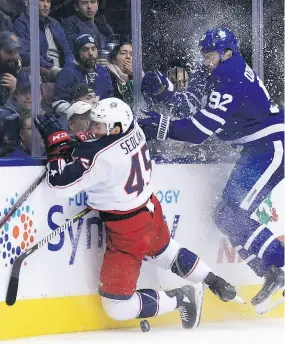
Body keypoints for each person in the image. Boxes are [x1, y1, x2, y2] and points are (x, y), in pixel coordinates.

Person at [34, 97, 243, 329]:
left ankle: (181, 298)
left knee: (117, 306)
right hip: (149, 210)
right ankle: (214, 280)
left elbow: (58, 184)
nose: (92, 129)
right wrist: (76, 140)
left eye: (98, 125)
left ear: (114, 128)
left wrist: (56, 147)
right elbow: (96, 144)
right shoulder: (133, 128)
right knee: (167, 252)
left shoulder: (103, 157)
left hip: (127, 231)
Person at [139, 27, 284, 313]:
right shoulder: (215, 69)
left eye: (210, 55)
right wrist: (168, 93)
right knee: (224, 216)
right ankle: (271, 273)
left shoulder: (230, 77)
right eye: (204, 55)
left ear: (227, 54)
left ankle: (279, 265)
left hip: (271, 147)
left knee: (231, 215)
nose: (205, 61)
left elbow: (197, 132)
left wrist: (160, 126)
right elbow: (193, 103)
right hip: (257, 148)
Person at [52, 33, 113, 115]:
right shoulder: (68, 72)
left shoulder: (103, 71)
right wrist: (82, 113)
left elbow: (110, 98)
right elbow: (57, 104)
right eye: (85, 50)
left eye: (93, 49)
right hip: (79, 122)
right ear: (77, 54)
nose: (91, 53)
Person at [14, 0, 74, 81]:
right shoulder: (21, 23)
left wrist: (70, 67)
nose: (46, 5)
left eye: (48, 1)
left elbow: (67, 51)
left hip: (62, 70)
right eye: (42, 1)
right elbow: (26, 54)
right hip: (42, 73)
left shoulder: (55, 24)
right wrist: (52, 67)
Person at [107, 41, 133, 107]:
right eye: (123, 53)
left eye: (132, 54)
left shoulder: (140, 77)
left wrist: (133, 77)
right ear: (114, 60)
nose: (128, 57)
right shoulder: (107, 77)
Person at [0, 31, 22, 107]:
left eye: (16, 52)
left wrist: (15, 89)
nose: (14, 56)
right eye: (9, 52)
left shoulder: (17, 69)